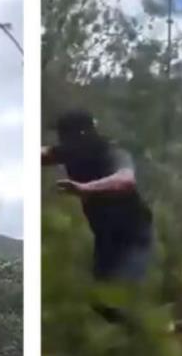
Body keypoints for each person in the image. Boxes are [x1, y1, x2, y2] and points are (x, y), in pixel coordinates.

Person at [42, 110, 153, 320]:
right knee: (100, 301)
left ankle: (145, 329)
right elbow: (43, 154)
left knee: (117, 292)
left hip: (133, 232)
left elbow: (125, 180)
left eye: (65, 136)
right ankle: (129, 332)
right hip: (105, 235)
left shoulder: (112, 152)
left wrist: (85, 188)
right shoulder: (69, 153)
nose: (62, 142)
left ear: (82, 135)